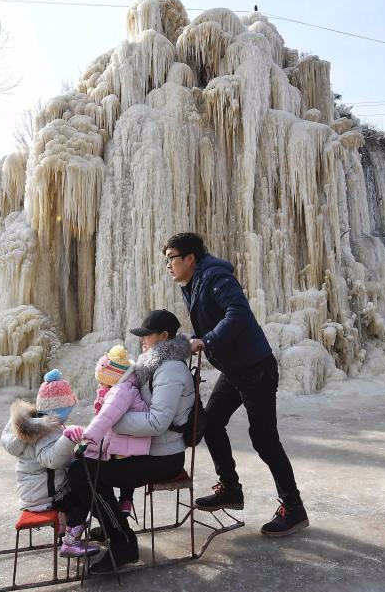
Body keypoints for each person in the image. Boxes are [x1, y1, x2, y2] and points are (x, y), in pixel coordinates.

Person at [162, 232, 308, 537]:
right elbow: (210, 321)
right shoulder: (194, 282)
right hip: (235, 369)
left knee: (265, 440)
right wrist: (193, 338)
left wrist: (208, 340)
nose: (168, 265)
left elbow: (238, 313)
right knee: (211, 423)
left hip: (256, 368)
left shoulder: (214, 275)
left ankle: (293, 508)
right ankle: (230, 488)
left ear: (190, 258)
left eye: (172, 257)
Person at [66, 309, 194, 573]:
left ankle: (123, 541)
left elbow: (158, 422)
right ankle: (112, 522)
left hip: (163, 458)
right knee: (86, 464)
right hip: (150, 452)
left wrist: (110, 422)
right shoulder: (155, 364)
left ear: (164, 336)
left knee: (83, 472)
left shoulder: (170, 370)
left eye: (147, 335)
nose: (142, 340)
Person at [0, 370, 98, 557]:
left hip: (31, 494)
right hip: (47, 496)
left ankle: (63, 527)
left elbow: (45, 464)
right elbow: (50, 460)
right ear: (60, 411)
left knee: (75, 489)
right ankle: (70, 541)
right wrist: (68, 439)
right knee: (84, 499)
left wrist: (74, 453)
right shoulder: (47, 430)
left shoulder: (28, 426)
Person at [86, 344, 152, 516]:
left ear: (112, 378)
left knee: (99, 463)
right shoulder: (123, 387)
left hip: (129, 442)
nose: (100, 383)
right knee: (107, 457)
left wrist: (88, 438)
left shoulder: (121, 391)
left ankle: (120, 504)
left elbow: (106, 417)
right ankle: (124, 502)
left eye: (102, 380)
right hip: (130, 440)